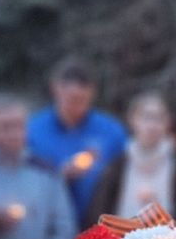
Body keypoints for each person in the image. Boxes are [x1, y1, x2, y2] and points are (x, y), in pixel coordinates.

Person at [0, 97, 79, 239]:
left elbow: (62, 227)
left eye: (19, 126)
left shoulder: (46, 171)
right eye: (6, 127)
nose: (13, 134)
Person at [26, 58, 128, 218]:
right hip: (47, 218)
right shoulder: (33, 130)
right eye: (70, 99)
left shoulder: (111, 132)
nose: (75, 106)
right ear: (55, 88)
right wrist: (59, 175)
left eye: (81, 100)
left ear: (92, 92)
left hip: (99, 222)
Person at [85, 92, 176, 224]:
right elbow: (99, 213)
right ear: (132, 119)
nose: (152, 126)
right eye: (146, 117)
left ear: (168, 123)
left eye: (159, 118)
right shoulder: (115, 167)